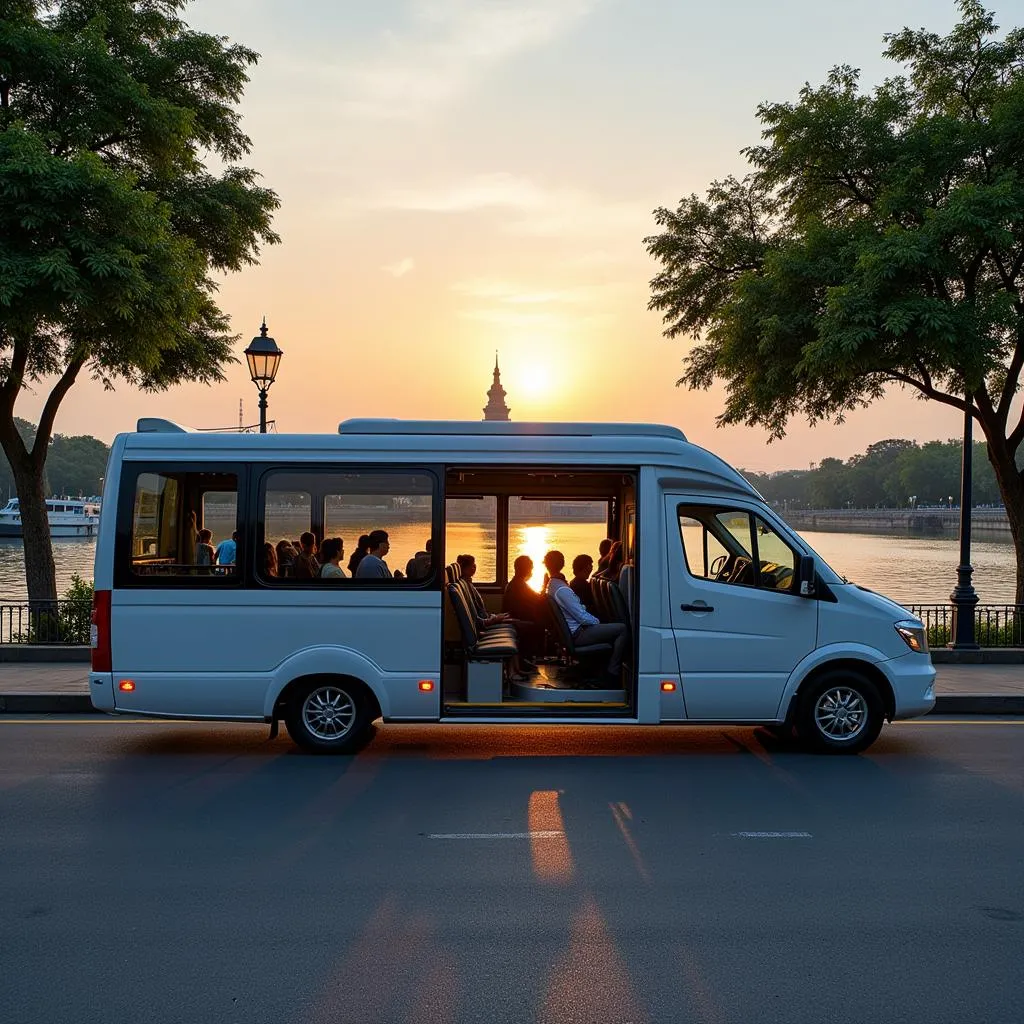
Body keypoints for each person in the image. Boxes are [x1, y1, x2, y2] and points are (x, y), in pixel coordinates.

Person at [544, 550, 629, 685]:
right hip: (579, 634)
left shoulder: (552, 586)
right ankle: (612, 672)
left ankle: (602, 669)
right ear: (563, 563)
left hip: (576, 631)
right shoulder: (562, 590)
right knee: (622, 629)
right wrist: (599, 623)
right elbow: (582, 617)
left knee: (612, 628)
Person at [503, 555, 545, 623]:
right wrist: (545, 585)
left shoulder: (516, 583)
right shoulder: (519, 585)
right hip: (518, 621)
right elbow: (539, 600)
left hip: (518, 618)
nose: (531, 572)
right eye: (531, 569)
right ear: (525, 570)